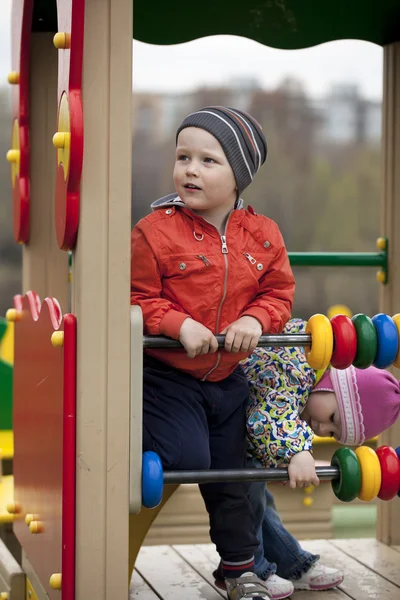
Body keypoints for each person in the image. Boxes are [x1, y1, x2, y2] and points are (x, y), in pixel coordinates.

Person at [131, 106, 296, 600]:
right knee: (189, 455)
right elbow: (137, 297)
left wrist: (255, 321)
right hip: (168, 375)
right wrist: (178, 325)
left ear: (239, 176)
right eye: (183, 157)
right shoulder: (154, 231)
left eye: (208, 160)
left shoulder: (263, 234)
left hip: (229, 380)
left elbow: (279, 296)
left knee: (234, 478)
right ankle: (136, 438)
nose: (190, 169)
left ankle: (238, 570)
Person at [213, 318, 400, 599]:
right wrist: (296, 452)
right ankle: (253, 570)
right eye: (333, 418)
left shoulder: (309, 376)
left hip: (230, 421)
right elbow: (268, 415)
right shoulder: (297, 367)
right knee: (248, 490)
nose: (323, 429)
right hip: (212, 416)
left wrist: (281, 455)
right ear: (335, 385)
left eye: (333, 433)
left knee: (259, 497)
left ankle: (289, 563)